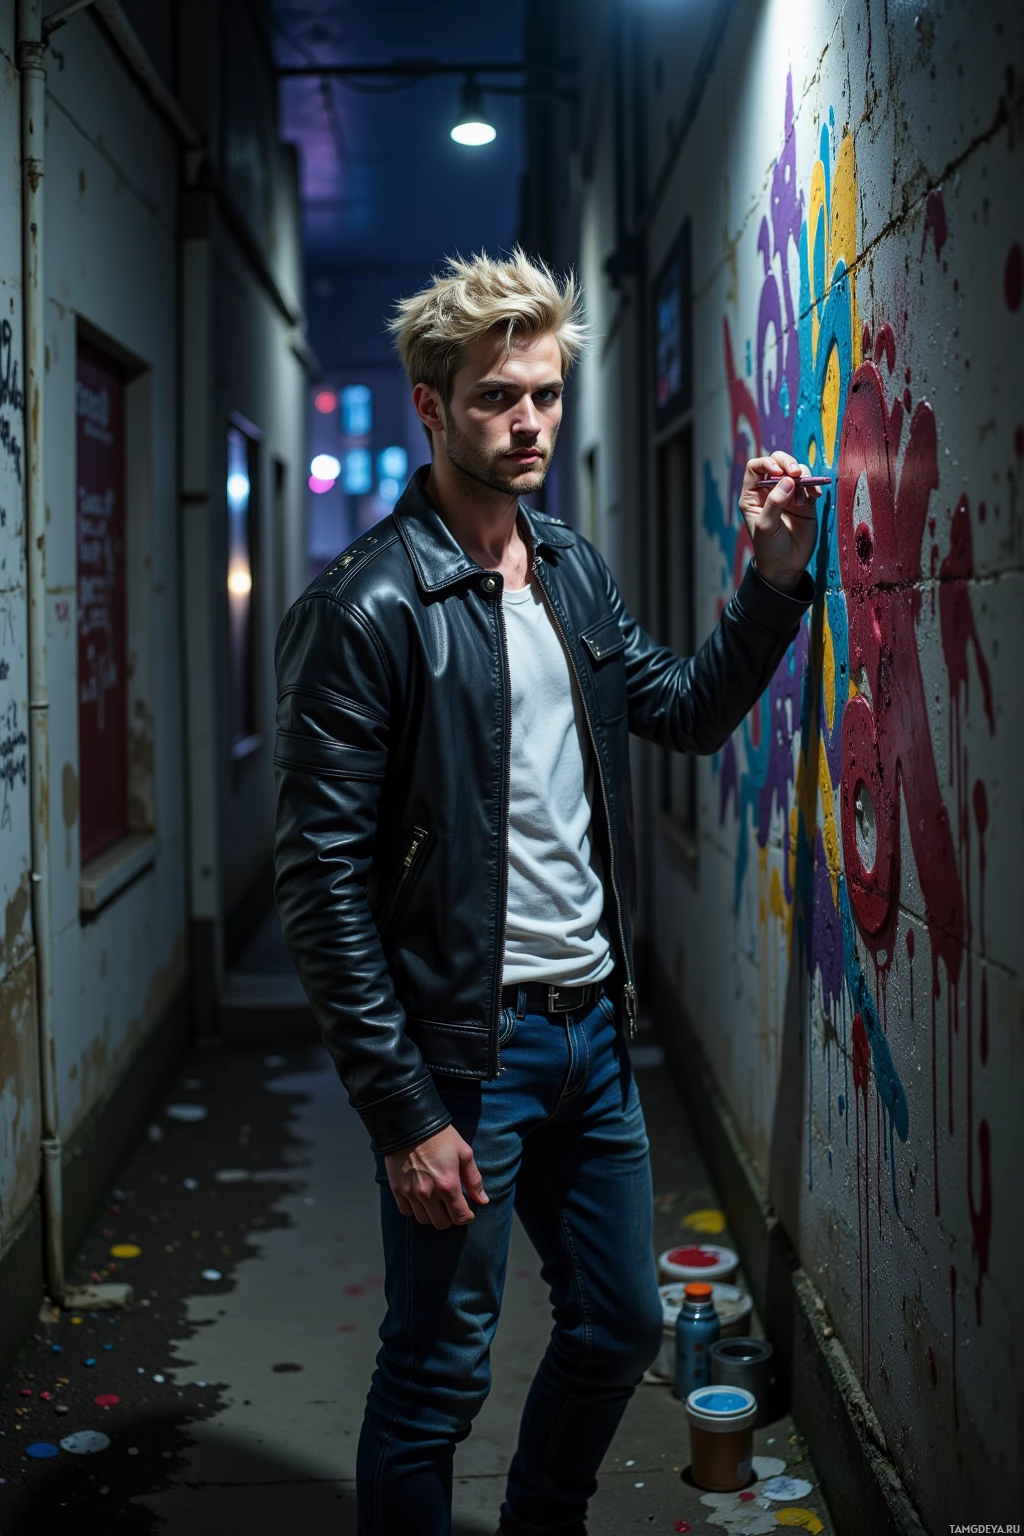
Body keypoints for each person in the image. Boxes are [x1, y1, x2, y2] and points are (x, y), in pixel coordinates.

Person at [273, 248, 819, 1536]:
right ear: (430, 404)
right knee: (436, 1375)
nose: (528, 424)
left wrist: (774, 581)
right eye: (495, 398)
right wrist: (405, 1111)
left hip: (592, 1035)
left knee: (623, 1321)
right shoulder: (370, 608)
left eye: (545, 396)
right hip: (469, 1051)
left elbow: (679, 713)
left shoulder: (569, 571)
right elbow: (321, 885)